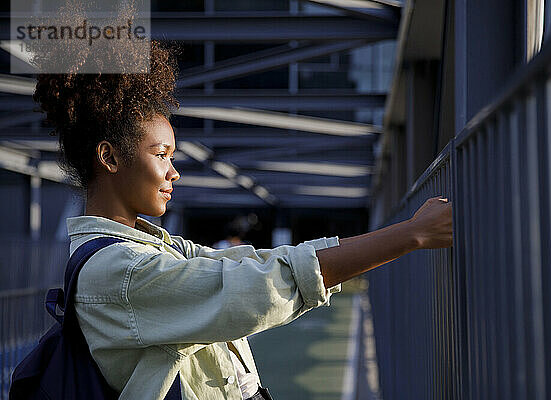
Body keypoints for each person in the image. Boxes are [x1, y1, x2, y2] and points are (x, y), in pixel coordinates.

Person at [33, 41, 452, 400]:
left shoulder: (153, 249)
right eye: (161, 155)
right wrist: (411, 234)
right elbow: (255, 288)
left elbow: (253, 266)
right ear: (109, 158)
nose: (173, 172)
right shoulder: (116, 273)